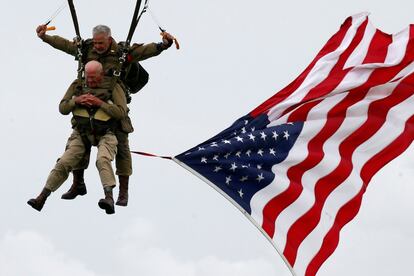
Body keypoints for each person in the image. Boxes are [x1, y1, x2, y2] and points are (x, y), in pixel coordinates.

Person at [35, 24, 176, 206]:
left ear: (109, 39)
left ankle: (123, 193)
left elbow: (144, 51)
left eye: (101, 43)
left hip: (113, 100)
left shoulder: (121, 53)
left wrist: (163, 44)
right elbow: (67, 46)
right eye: (95, 43)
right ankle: (78, 184)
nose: (97, 46)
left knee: (122, 148)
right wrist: (45, 37)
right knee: (79, 138)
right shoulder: (86, 49)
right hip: (88, 102)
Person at [27, 61, 128, 215]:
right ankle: (42, 197)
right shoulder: (78, 85)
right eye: (88, 78)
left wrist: (99, 103)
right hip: (81, 132)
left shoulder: (113, 87)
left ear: (101, 75)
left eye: (94, 78)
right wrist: (76, 101)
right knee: (64, 162)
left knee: (102, 160)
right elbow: (63, 108)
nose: (91, 82)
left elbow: (121, 113)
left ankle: (109, 198)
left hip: (107, 133)